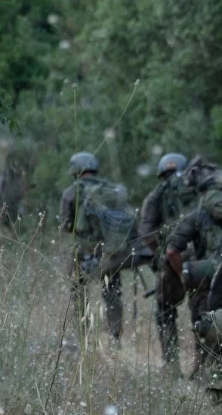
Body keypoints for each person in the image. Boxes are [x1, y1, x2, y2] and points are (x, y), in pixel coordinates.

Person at [162, 157, 222, 380]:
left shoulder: (198, 214)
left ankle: (212, 376)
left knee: (207, 329)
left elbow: (171, 251)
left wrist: (183, 276)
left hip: (210, 281)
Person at [60, 152, 135, 344]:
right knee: (112, 294)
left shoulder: (71, 192)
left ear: (75, 169)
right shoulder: (111, 190)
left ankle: (82, 336)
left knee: (78, 293)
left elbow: (66, 225)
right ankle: (114, 337)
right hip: (111, 253)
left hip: (83, 252)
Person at [135, 152, 197, 369]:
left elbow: (145, 232)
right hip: (201, 258)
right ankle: (206, 365)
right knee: (202, 310)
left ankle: (172, 367)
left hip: (172, 256)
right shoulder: (197, 189)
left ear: (161, 173)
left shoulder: (156, 195)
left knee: (165, 310)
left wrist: (160, 253)